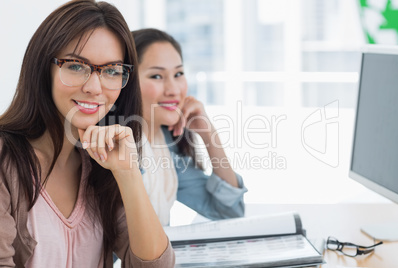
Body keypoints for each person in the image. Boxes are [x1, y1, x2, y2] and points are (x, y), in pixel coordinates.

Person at [0, 1, 174, 267]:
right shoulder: (6, 159)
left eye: (112, 71)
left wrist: (128, 175)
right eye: (76, 66)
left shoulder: (102, 163)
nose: (95, 87)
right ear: (43, 68)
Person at [131, 28, 247, 226]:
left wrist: (209, 134)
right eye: (157, 76)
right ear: (126, 80)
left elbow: (229, 212)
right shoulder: (116, 145)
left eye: (178, 73)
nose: (174, 89)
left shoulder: (166, 142)